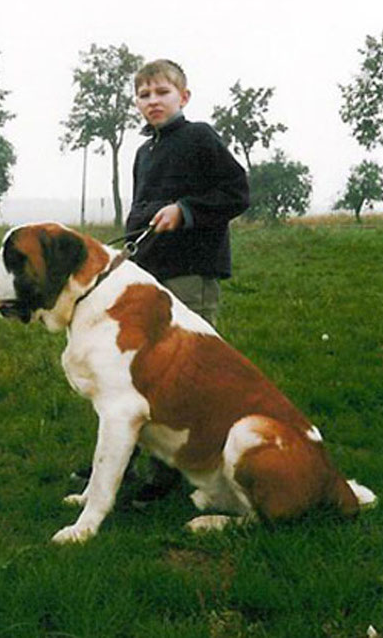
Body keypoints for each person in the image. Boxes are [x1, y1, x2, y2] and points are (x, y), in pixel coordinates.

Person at [124, 59, 250, 505]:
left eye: (162, 92)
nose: (152, 101)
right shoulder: (144, 153)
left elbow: (237, 192)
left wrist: (186, 210)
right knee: (143, 372)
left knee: (184, 375)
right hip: (148, 275)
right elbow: (140, 211)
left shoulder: (199, 138)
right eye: (144, 94)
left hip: (191, 275)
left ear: (184, 96)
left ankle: (176, 468)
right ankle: (127, 457)